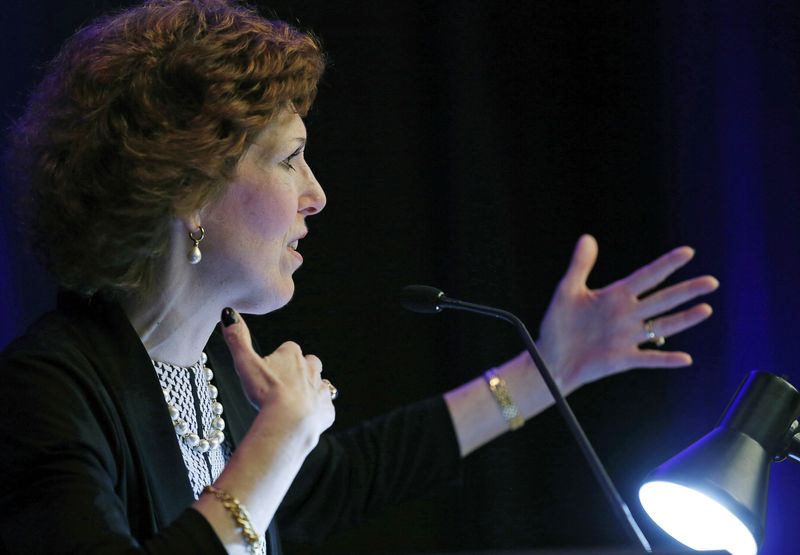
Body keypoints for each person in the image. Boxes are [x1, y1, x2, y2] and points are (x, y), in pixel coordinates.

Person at [0, 0, 719, 553]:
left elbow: (342, 479)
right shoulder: (47, 389)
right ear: (190, 186)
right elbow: (264, 483)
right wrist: (276, 442)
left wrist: (547, 370)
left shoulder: (216, 371)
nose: (316, 194)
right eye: (289, 158)